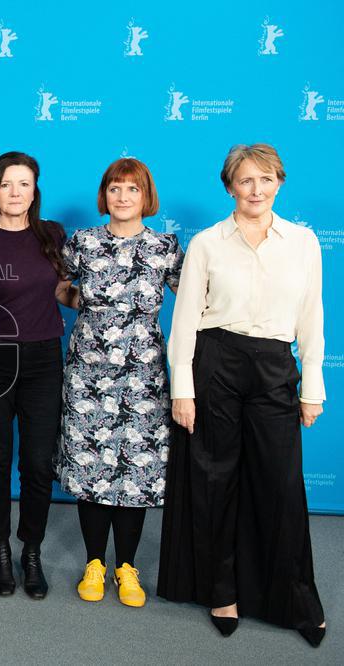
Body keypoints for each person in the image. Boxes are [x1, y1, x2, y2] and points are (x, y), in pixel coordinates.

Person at [160, 144, 327, 647]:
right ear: (230, 186)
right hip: (217, 362)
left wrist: (312, 387)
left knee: (281, 485)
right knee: (215, 481)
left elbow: (311, 315)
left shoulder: (303, 242)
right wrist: (183, 389)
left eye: (266, 179)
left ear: (280, 183)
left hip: (275, 365)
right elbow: (185, 319)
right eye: (246, 180)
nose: (256, 190)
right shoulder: (208, 243)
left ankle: (295, 599)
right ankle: (222, 591)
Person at [56, 158, 182, 608]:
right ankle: (94, 562)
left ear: (146, 196)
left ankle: (127, 566)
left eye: (132, 189)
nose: (123, 196)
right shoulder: (83, 242)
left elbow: (191, 299)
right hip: (88, 374)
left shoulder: (164, 246)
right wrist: (87, 304)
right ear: (104, 195)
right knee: (91, 466)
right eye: (115, 188)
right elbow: (59, 286)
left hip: (144, 378)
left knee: (134, 473)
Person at [0, 151, 74, 598]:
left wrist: (103, 302)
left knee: (38, 463)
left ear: (35, 190)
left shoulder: (52, 235)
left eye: (24, 184)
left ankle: (31, 550)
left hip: (43, 361)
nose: (15, 192)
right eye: (7, 184)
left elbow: (59, 290)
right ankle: (0, 549)